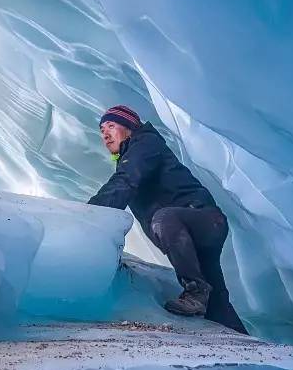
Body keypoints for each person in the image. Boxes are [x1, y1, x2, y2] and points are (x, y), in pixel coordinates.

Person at [87, 105, 248, 334]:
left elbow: (125, 181)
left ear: (130, 127)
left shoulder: (145, 144)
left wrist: (90, 216)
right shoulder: (133, 153)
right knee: (217, 303)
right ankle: (260, 354)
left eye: (111, 125)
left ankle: (195, 290)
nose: (105, 133)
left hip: (202, 220)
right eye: (102, 129)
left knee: (163, 219)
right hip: (192, 229)